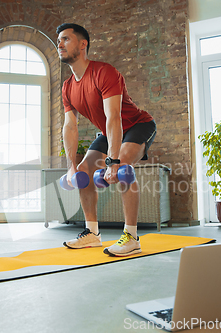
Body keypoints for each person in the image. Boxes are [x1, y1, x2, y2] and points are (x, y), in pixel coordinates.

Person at [57, 23, 156, 257]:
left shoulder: (104, 72)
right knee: (83, 172)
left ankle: (131, 237)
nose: (59, 44)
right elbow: (70, 126)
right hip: (107, 131)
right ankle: (92, 234)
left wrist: (113, 161)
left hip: (137, 125)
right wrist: (72, 166)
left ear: (83, 45)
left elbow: (114, 118)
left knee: (123, 169)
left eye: (65, 39)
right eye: (58, 41)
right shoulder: (68, 87)